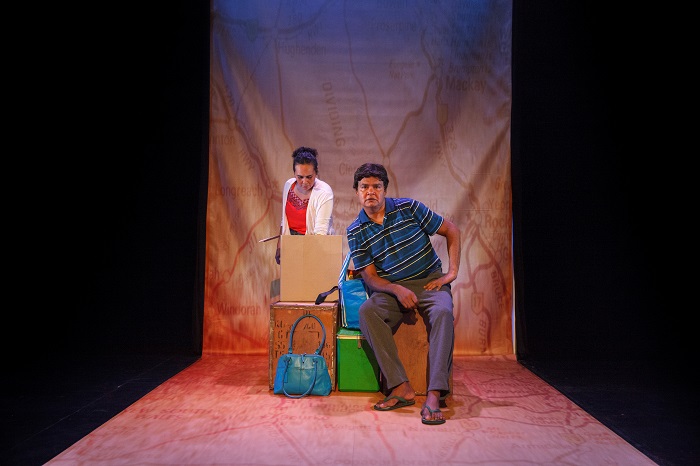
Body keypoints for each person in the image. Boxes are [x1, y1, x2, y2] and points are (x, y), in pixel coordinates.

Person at [346, 163, 461, 425]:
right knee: (368, 312)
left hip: (429, 281)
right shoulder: (356, 230)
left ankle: (434, 394)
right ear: (357, 192)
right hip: (393, 288)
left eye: (376, 186)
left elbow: (451, 230)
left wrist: (451, 273)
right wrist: (396, 289)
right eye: (364, 187)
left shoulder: (408, 208)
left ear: (385, 189)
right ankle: (401, 386)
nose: (370, 192)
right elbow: (370, 277)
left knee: (443, 313)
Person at [275, 146, 334, 264]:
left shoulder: (324, 192)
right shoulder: (288, 185)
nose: (304, 182)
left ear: (316, 173)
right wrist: (280, 244)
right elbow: (284, 220)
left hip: (316, 246)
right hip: (291, 243)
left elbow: (320, 233)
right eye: (300, 177)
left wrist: (309, 260)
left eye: (309, 177)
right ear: (294, 174)